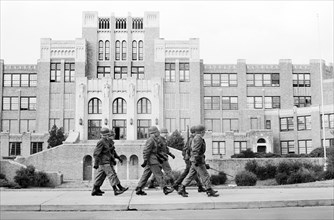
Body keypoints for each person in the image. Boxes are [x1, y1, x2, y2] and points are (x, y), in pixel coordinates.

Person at [178, 125, 219, 197]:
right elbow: (195, 151)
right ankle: (209, 190)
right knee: (205, 175)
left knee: (190, 175)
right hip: (197, 160)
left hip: (195, 160)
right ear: (201, 131)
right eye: (204, 131)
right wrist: (198, 161)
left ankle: (181, 188)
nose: (205, 132)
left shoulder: (196, 137)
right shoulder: (198, 138)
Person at [135, 126, 174, 196]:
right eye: (156, 132)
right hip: (152, 160)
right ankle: (165, 188)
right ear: (153, 133)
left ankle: (139, 188)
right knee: (159, 174)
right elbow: (146, 151)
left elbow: (157, 151)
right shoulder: (151, 140)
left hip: (152, 159)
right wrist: (145, 160)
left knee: (146, 175)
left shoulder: (154, 140)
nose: (158, 133)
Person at [91, 127, 128, 196]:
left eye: (107, 135)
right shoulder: (101, 142)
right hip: (104, 162)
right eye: (105, 135)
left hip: (107, 161)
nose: (107, 136)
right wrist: (96, 163)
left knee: (100, 177)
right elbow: (96, 153)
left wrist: (116, 158)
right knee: (111, 175)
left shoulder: (106, 141)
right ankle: (115, 190)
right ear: (102, 135)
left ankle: (95, 190)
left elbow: (111, 152)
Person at [172, 126, 206, 193]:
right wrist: (195, 158)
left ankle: (200, 186)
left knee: (193, 172)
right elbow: (192, 150)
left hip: (190, 158)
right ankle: (177, 185)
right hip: (190, 158)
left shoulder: (192, 138)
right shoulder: (193, 139)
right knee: (189, 172)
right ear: (194, 132)